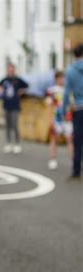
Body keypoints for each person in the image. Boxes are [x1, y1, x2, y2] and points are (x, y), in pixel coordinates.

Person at [0, 63, 29, 154]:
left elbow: (26, 86)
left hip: (15, 105)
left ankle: (17, 144)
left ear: (14, 70)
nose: (10, 71)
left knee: (15, 125)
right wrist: (0, 91)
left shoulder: (18, 80)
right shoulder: (4, 80)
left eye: (12, 69)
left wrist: (21, 91)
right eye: (9, 69)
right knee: (7, 125)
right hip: (6, 105)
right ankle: (8, 143)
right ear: (7, 70)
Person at [45, 71, 73, 170]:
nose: (62, 80)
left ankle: (72, 160)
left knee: (69, 139)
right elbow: (48, 106)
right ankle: (53, 159)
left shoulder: (68, 90)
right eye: (60, 78)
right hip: (56, 118)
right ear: (56, 79)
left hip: (67, 118)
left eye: (63, 78)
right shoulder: (51, 91)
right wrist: (50, 120)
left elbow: (71, 104)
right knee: (54, 139)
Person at [63, 44, 83, 180]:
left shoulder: (70, 70)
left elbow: (66, 93)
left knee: (77, 140)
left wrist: (64, 109)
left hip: (77, 109)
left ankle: (76, 170)